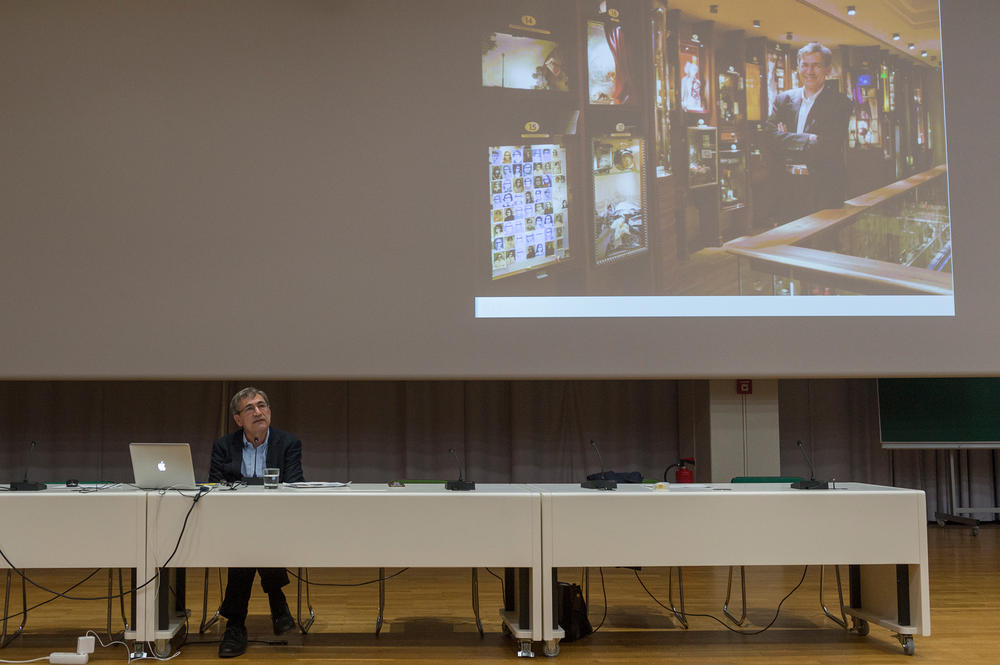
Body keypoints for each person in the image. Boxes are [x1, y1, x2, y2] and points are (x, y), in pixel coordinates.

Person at [209, 387, 304, 658]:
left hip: (277, 522)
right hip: (234, 523)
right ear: (238, 419)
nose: (258, 412)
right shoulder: (224, 446)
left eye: (262, 406)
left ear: (270, 412)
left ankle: (235, 624)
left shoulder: (288, 443)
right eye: (250, 408)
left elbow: (295, 484)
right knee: (248, 539)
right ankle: (277, 602)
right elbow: (214, 485)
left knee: (249, 544)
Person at [764, 42, 852, 221]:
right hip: (786, 187)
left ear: (827, 69)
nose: (809, 71)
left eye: (816, 65)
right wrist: (809, 139)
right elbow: (770, 138)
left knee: (822, 237)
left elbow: (828, 146)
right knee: (788, 237)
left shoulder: (841, 103)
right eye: (805, 65)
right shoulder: (783, 100)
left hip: (822, 189)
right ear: (798, 67)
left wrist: (786, 138)